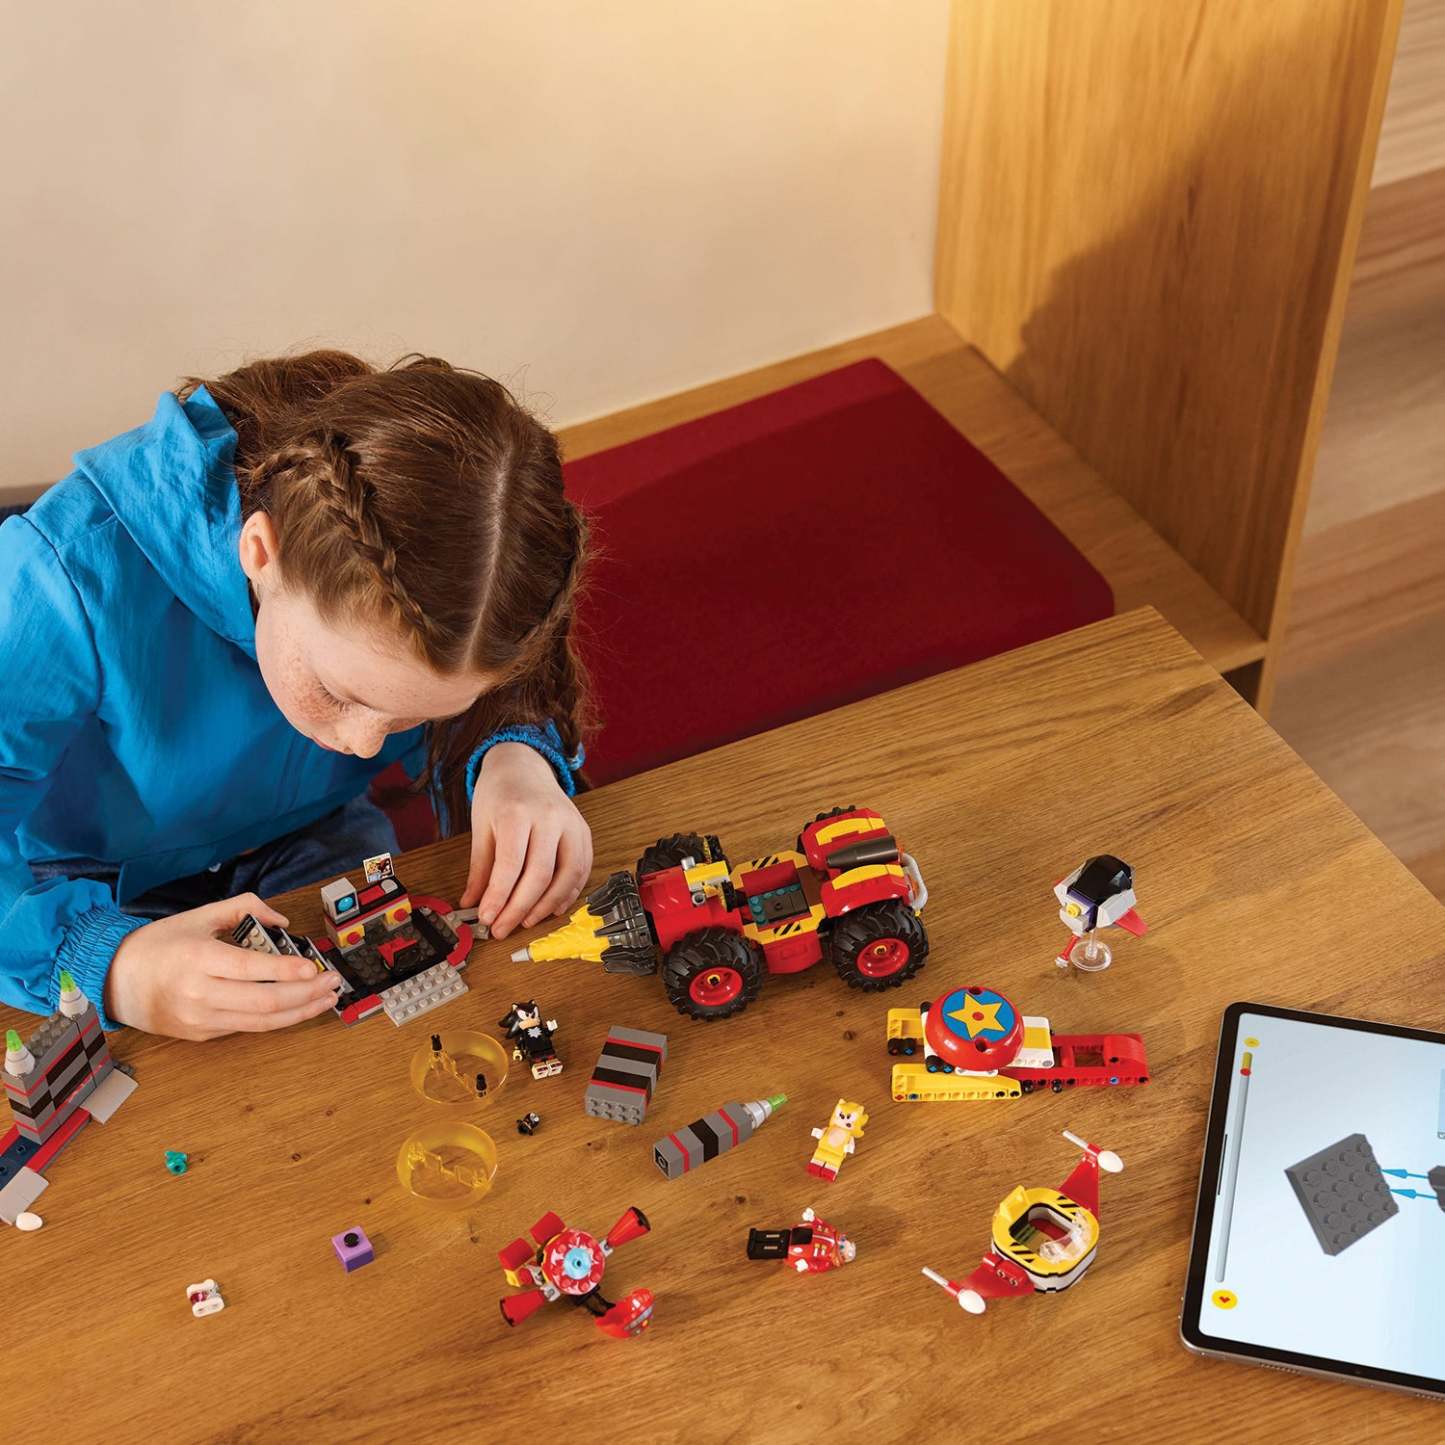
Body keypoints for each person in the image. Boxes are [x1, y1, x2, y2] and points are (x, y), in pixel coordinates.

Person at [0, 351, 592, 1039]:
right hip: (82, 883)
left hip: (309, 831)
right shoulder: (56, 577)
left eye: (413, 716)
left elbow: (494, 679)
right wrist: (108, 963)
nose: (363, 745)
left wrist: (512, 753)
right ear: (260, 553)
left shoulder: (455, 575)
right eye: (337, 692)